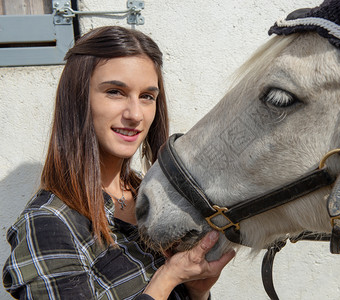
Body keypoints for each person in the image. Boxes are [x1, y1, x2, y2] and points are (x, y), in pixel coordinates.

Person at [2, 26, 235, 300]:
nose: (135, 114)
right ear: (77, 100)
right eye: (115, 92)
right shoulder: (48, 224)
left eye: (147, 96)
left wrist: (197, 292)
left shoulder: (149, 194)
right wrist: (168, 278)